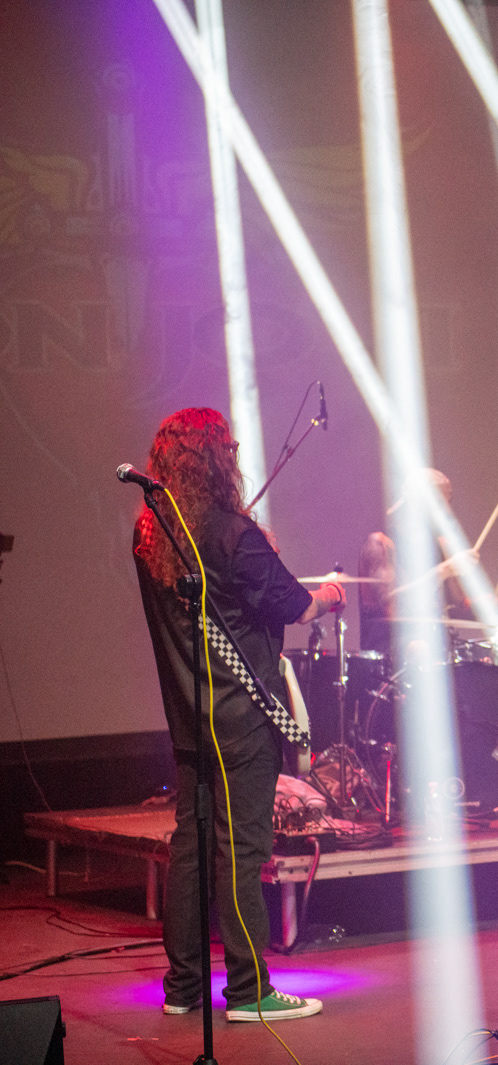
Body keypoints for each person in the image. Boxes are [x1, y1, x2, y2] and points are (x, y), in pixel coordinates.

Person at [133, 408, 344, 1022]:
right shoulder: (232, 535)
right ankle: (250, 992)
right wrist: (332, 594)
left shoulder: (154, 536)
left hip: (190, 718)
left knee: (192, 850)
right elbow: (296, 606)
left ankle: (183, 988)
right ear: (217, 460)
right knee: (240, 854)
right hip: (241, 721)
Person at [356, 467, 472, 655]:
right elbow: (393, 608)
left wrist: (484, 604)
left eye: (447, 502)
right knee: (421, 650)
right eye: (439, 503)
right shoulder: (381, 543)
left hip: (434, 644)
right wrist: (442, 571)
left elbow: (458, 607)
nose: (446, 511)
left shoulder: (438, 545)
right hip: (389, 652)